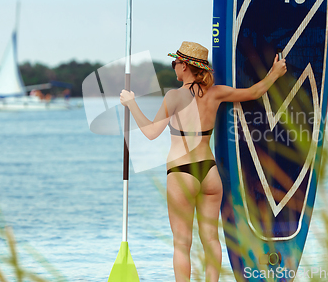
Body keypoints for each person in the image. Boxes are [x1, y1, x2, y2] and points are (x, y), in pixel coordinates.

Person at [120, 41, 286, 282]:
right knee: (210, 238)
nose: (174, 67)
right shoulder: (216, 93)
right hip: (209, 173)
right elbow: (254, 92)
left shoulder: (174, 96)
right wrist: (275, 73)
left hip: (181, 172)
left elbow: (151, 132)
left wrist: (131, 103)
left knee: (182, 242)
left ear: (185, 66)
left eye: (175, 62)